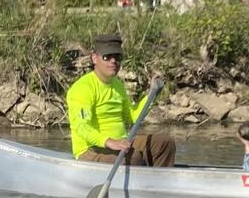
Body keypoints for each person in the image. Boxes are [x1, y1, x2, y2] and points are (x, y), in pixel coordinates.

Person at [66, 33, 175, 167]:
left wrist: (152, 94)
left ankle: (158, 178)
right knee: (132, 158)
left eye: (117, 57)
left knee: (164, 144)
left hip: (121, 143)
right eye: (107, 57)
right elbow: (81, 127)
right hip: (91, 149)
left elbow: (133, 117)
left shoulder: (117, 85)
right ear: (95, 58)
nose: (113, 61)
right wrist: (108, 141)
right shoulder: (82, 88)